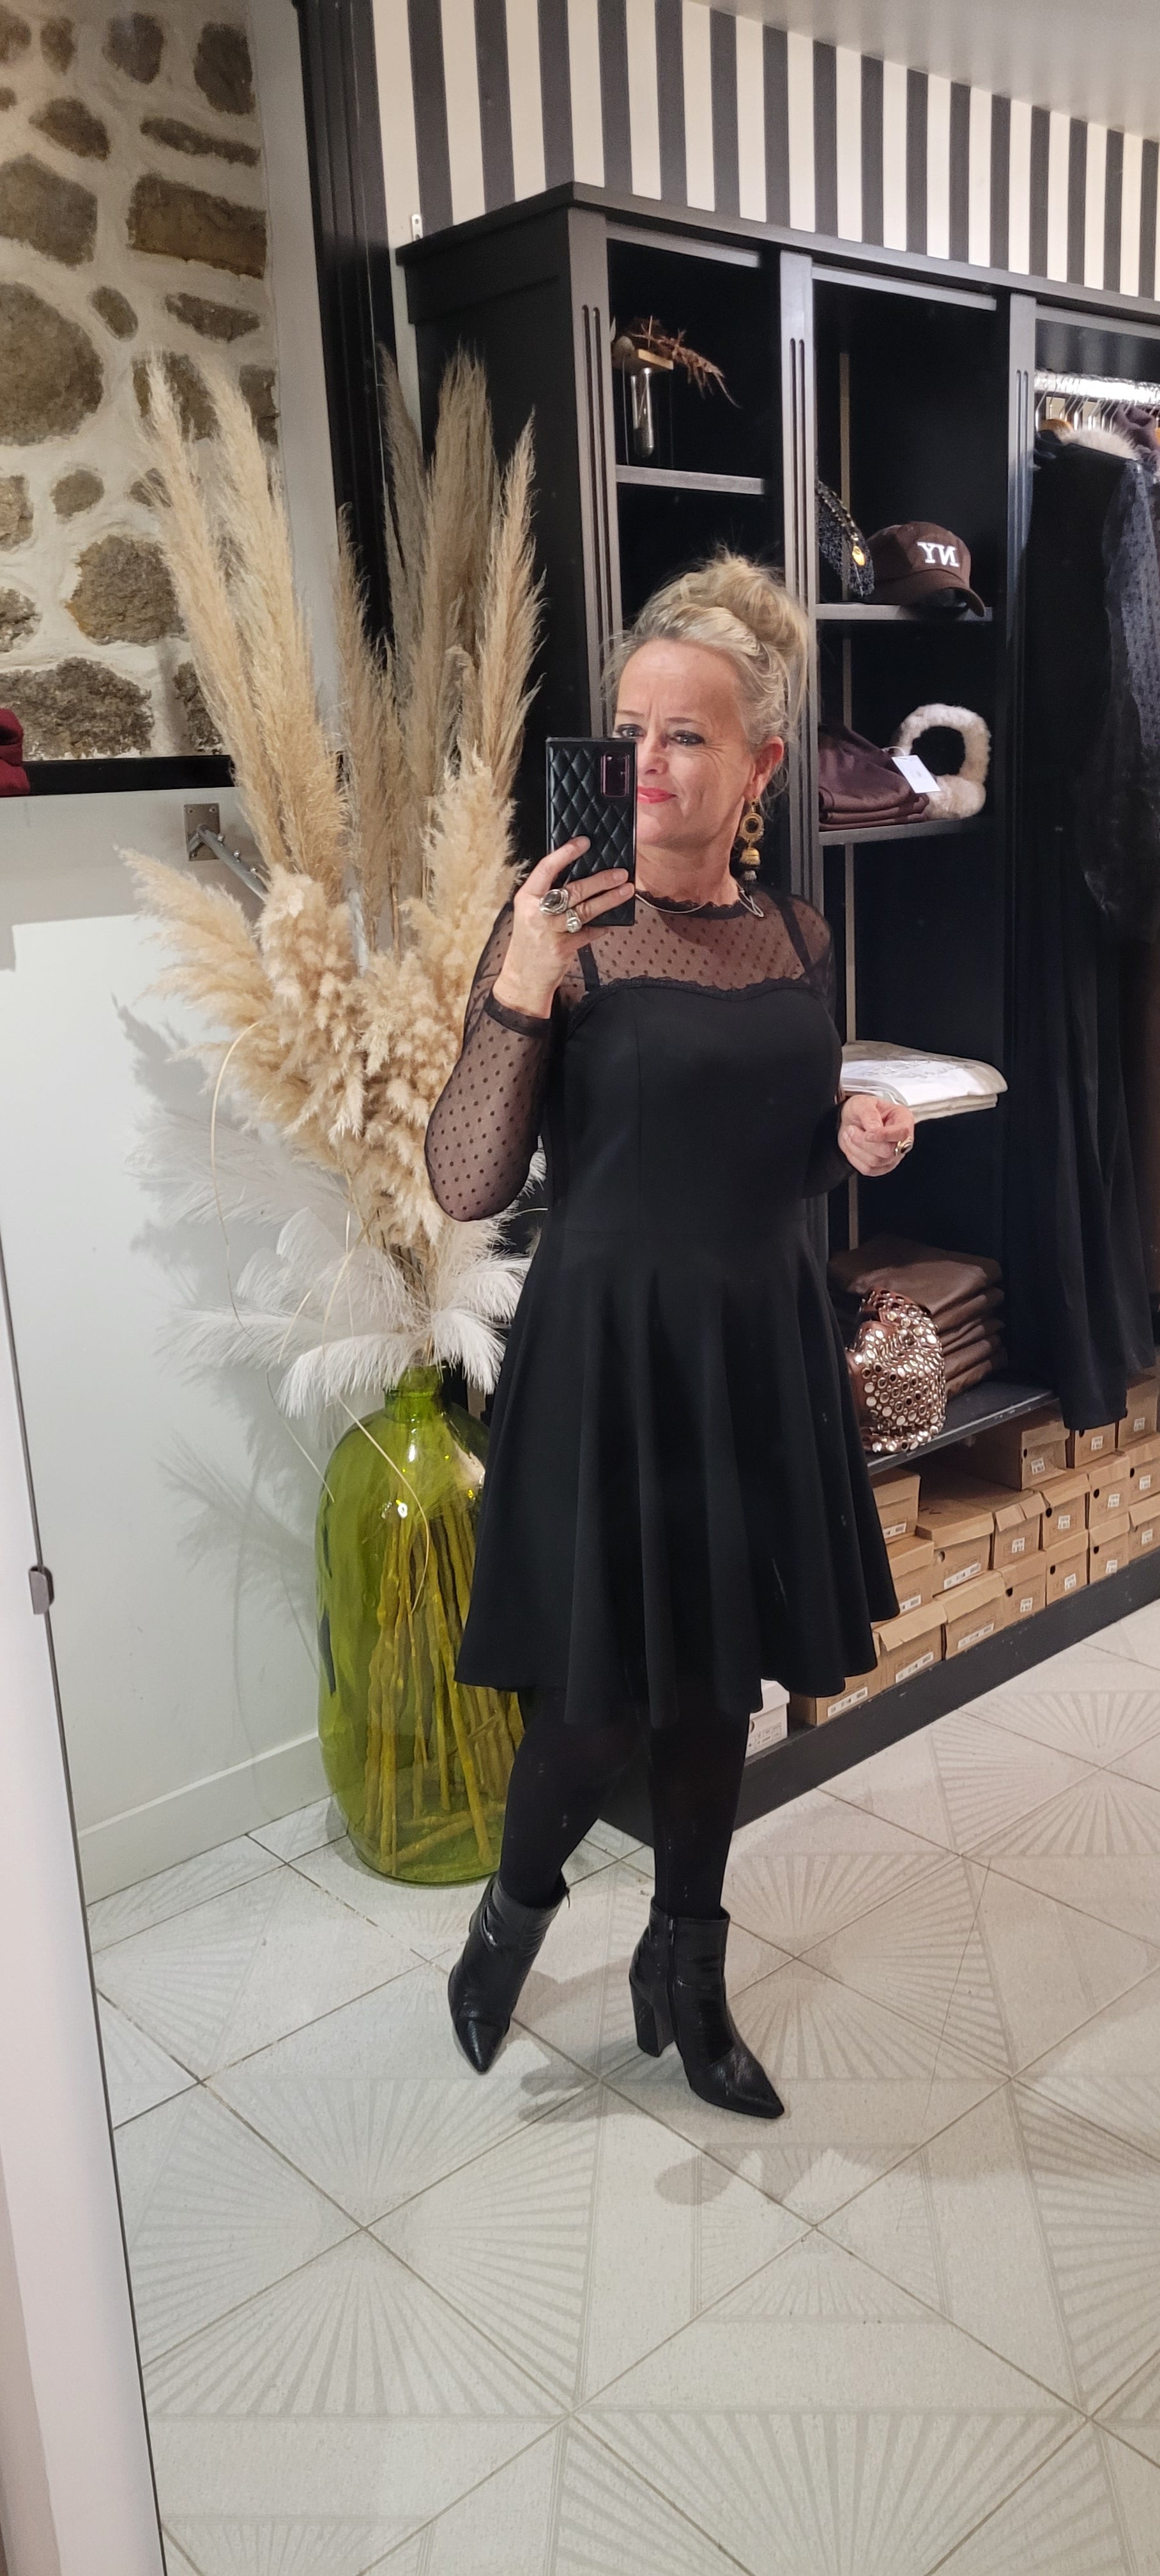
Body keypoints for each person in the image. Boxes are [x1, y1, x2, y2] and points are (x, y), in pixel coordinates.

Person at [425, 554, 913, 2119]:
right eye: (629, 729)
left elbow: (767, 1147)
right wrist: (517, 982)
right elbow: (465, 1181)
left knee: (716, 1697)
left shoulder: (797, 936)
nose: (647, 761)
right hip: (610, 1365)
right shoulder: (565, 937)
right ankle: (508, 1923)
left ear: (758, 766)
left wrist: (844, 1132)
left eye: (686, 735)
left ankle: (685, 1972)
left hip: (753, 1353)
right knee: (592, 1715)